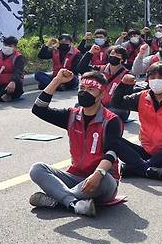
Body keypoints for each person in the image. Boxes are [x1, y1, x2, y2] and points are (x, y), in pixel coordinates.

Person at [29, 70, 123, 216]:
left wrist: (97, 174)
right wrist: (57, 80)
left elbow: (112, 153)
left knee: (105, 179)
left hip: (102, 180)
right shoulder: (71, 115)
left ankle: (58, 198)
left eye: (90, 89)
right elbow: (39, 109)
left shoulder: (111, 120)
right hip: (75, 177)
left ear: (101, 94)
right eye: (82, 89)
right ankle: (73, 204)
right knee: (37, 169)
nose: (84, 93)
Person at [77, 44, 132, 122]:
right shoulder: (99, 69)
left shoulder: (126, 74)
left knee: (116, 113)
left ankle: (97, 115)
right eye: (112, 54)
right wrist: (90, 52)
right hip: (98, 103)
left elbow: (127, 96)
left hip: (115, 106)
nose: (114, 56)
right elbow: (81, 69)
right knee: (78, 106)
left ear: (122, 59)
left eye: (118, 55)